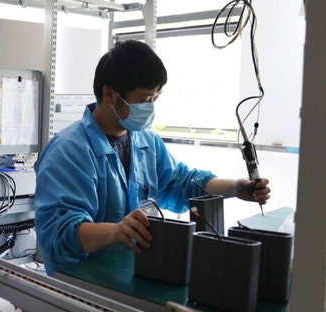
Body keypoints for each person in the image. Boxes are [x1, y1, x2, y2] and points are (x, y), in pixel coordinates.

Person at [34, 40, 270, 276]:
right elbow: (60, 234)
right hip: (80, 287)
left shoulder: (145, 141)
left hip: (131, 277)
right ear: (109, 94)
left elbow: (182, 183)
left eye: (155, 99)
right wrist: (116, 232)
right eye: (145, 99)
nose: (151, 107)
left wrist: (236, 188)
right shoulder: (69, 151)